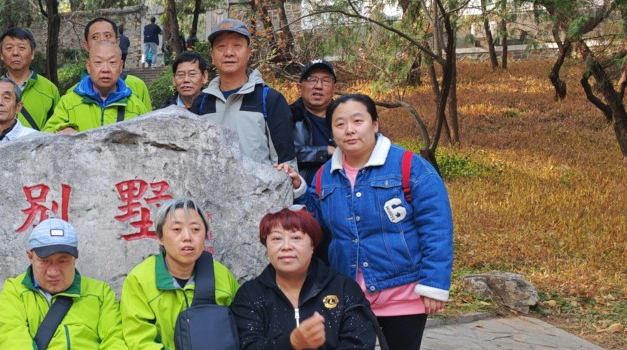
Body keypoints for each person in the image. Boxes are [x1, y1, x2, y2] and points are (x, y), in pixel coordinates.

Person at [284, 94, 454, 350]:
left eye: (357, 121)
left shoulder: (410, 167)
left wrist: (434, 283)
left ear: (374, 124)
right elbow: (316, 222)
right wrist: (299, 189)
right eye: (339, 124)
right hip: (349, 293)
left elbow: (437, 228)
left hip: (402, 292)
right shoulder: (325, 176)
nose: (349, 130)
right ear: (332, 132)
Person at [230, 206, 377, 350]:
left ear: (312, 245)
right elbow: (247, 344)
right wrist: (291, 343)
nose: (286, 246)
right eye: (276, 238)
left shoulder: (344, 289)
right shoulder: (250, 295)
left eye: (296, 237)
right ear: (266, 245)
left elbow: (360, 343)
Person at [121, 198, 240, 350]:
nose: (187, 237)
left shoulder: (222, 275)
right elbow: (140, 341)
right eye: (177, 230)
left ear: (205, 235)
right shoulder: (140, 280)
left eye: (195, 230)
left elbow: (242, 326)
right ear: (160, 237)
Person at [0, 218, 127, 349]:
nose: (53, 272)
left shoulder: (100, 293)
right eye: (44, 261)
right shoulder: (14, 292)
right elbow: (10, 342)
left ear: (75, 257)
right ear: (30, 257)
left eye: (62, 261)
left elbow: (115, 341)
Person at [190, 19, 298, 170]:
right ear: (212, 54)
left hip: (259, 192)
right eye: (221, 46)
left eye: (237, 46)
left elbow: (285, 163)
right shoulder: (201, 102)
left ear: (248, 52)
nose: (228, 53)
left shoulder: (269, 99)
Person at [42, 40, 149, 134]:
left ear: (121, 66)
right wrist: (63, 130)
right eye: (98, 62)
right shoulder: (68, 103)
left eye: (112, 62)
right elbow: (45, 136)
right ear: (88, 67)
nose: (105, 69)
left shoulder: (136, 106)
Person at [0, 27, 60, 131]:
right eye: (9, 48)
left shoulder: (49, 90)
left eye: (21, 48)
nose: (15, 53)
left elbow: (57, 129)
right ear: (2, 55)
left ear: (32, 53)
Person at [78, 17, 151, 108]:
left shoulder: (137, 86)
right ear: (86, 45)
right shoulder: (73, 94)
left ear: (117, 42)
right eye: (95, 37)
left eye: (108, 36)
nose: (102, 41)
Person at [291, 59, 338, 184]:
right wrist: (325, 151)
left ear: (334, 88)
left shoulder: (346, 117)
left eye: (326, 80)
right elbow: (281, 154)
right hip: (300, 192)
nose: (318, 86)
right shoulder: (287, 117)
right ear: (299, 87)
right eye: (312, 79)